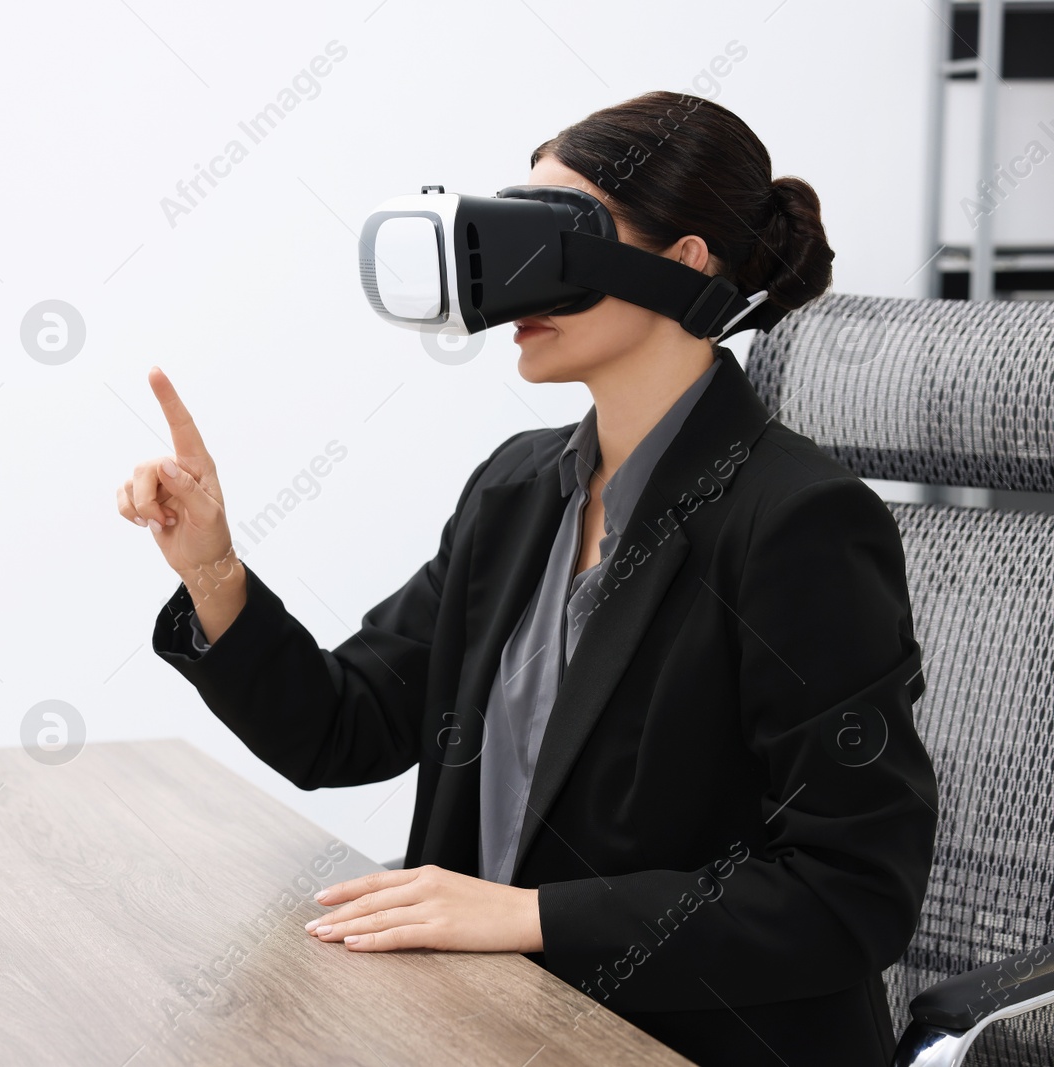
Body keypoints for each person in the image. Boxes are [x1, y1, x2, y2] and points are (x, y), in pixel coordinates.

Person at [117, 90, 938, 1067]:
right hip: (487, 1022)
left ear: (684, 262)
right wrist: (211, 565)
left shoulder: (794, 520)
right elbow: (345, 725)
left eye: (553, 240)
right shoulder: (516, 488)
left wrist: (528, 914)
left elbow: (847, 891)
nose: (511, 288)